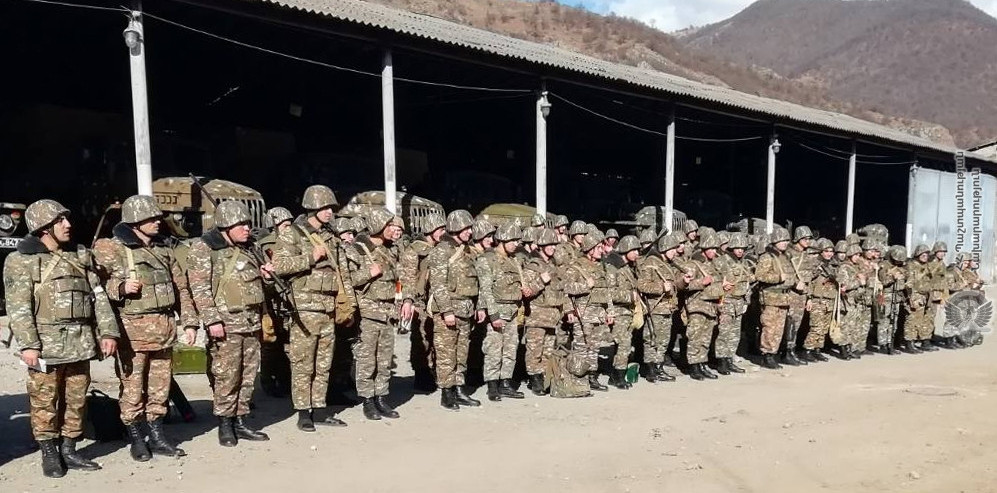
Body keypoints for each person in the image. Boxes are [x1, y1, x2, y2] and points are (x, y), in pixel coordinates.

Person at [3, 199, 119, 477]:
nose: (68, 225)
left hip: (80, 343)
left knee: (76, 399)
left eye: (66, 219)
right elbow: (19, 308)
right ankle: (49, 452)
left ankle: (69, 448)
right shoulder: (21, 261)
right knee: (44, 401)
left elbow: (99, 296)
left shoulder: (80, 255)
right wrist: (29, 345)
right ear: (44, 228)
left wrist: (108, 331)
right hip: (46, 345)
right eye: (59, 221)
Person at [92, 195, 196, 461]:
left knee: (160, 387)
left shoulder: (164, 249)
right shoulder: (112, 249)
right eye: (151, 218)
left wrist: (190, 322)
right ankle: (137, 439)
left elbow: (181, 288)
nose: (157, 222)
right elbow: (95, 287)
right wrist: (120, 288)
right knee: (133, 388)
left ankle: (158, 436)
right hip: (133, 333)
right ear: (135, 222)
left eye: (157, 217)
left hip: (164, 331)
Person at [187, 201, 272, 446]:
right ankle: (225, 424)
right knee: (226, 376)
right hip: (226, 324)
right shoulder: (204, 248)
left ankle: (241, 420)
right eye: (241, 224)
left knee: (247, 375)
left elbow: (254, 282)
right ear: (226, 226)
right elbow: (199, 289)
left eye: (248, 223)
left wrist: (266, 277)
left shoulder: (250, 248)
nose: (247, 228)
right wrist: (212, 320)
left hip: (251, 322)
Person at [271, 185, 351, 431]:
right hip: (304, 308)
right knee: (303, 363)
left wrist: (348, 304)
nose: (329, 212)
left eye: (331, 208)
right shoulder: (292, 234)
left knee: (324, 363)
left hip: (328, 307)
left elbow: (342, 272)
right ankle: (303, 412)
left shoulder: (331, 236)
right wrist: (310, 258)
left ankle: (320, 408)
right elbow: (279, 266)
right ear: (313, 208)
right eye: (325, 208)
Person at [342, 208, 406, 420]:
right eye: (389, 225)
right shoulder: (357, 250)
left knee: (384, 359)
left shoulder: (391, 250)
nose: (393, 229)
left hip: (388, 312)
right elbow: (348, 280)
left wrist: (401, 300)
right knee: (367, 359)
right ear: (378, 226)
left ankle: (381, 396)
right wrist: (368, 273)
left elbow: (398, 279)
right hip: (368, 313)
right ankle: (367, 400)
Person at [427, 210, 483, 410]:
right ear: (456, 228)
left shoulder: (467, 251)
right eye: (466, 228)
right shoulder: (441, 251)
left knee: (461, 352)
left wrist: (479, 306)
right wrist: (446, 311)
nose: (470, 232)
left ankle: (459, 388)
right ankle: (447, 392)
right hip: (449, 310)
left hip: (466, 310)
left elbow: (476, 282)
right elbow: (438, 284)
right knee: (446, 353)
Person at [475, 223, 537, 401]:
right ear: (502, 240)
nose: (516, 244)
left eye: (518, 240)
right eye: (513, 240)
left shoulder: (515, 260)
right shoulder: (487, 260)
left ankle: (506, 383)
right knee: (494, 349)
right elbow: (486, 290)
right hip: (497, 310)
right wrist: (493, 315)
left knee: (510, 349)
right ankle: (492, 385)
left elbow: (519, 283)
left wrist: (524, 289)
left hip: (513, 310)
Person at [399, 213, 446, 392]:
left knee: (436, 339)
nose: (443, 233)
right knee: (421, 339)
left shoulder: (440, 249)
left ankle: (433, 372)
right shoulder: (415, 250)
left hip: (436, 300)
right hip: (420, 301)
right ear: (430, 230)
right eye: (440, 229)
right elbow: (408, 277)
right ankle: (421, 374)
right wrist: (408, 300)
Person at [561, 231, 613, 391]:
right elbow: (566, 288)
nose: (601, 251)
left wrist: (610, 311)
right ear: (589, 249)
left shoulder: (601, 267)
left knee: (594, 348)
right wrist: (585, 286)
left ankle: (591, 376)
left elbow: (606, 291)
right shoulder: (576, 267)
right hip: (583, 314)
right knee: (581, 347)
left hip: (598, 314)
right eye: (598, 248)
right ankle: (579, 377)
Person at [636, 232, 686, 382]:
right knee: (652, 339)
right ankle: (651, 370)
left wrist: (684, 281)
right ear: (665, 248)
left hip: (667, 308)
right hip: (655, 308)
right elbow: (642, 285)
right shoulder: (651, 263)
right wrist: (661, 287)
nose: (675, 252)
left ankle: (659, 366)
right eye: (672, 249)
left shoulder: (669, 264)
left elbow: (674, 285)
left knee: (663, 340)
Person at [521, 228, 566, 395]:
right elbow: (526, 292)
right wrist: (541, 280)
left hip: (552, 317)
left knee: (547, 351)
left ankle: (544, 378)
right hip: (537, 316)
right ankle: (535, 380)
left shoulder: (553, 266)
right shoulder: (533, 266)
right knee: (535, 350)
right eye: (549, 244)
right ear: (541, 245)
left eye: (554, 244)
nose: (553, 247)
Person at [683, 231, 726, 380]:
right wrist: (701, 282)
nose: (714, 251)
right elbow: (685, 286)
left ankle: (701, 363)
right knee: (695, 337)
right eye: (711, 248)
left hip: (711, 307)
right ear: (704, 248)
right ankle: (693, 366)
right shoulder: (693, 264)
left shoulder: (713, 265)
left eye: (715, 248)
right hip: (697, 306)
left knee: (705, 339)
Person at [754, 227, 797, 369]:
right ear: (775, 241)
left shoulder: (785, 257)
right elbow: (760, 275)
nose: (784, 243)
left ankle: (773, 353)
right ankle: (767, 355)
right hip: (771, 298)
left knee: (779, 329)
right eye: (781, 240)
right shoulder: (767, 257)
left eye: (786, 240)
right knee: (770, 327)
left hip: (784, 298)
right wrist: (778, 277)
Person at [712, 232, 754, 374]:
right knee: (724, 332)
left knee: (735, 334)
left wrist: (746, 301)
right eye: (737, 248)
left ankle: (729, 359)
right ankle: (721, 361)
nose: (740, 250)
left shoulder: (744, 263)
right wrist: (720, 285)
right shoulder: (721, 261)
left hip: (739, 302)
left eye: (743, 248)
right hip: (727, 301)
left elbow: (746, 283)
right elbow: (713, 278)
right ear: (731, 247)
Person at [605, 234, 641, 389]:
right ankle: (618, 375)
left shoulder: (627, 268)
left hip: (627, 312)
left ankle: (616, 374)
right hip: (618, 311)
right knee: (624, 344)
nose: (637, 253)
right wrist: (630, 296)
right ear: (626, 250)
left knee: (624, 344)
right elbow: (610, 292)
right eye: (634, 250)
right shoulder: (613, 268)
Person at [802, 238, 837, 362]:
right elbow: (809, 282)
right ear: (821, 252)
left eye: (831, 251)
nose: (829, 254)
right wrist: (809, 298)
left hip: (830, 300)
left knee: (824, 328)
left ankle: (817, 350)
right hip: (818, 300)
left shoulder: (833, 265)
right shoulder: (815, 264)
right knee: (816, 327)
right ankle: (807, 349)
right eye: (826, 251)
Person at [876, 244, 907, 354]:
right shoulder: (884, 265)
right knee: (884, 320)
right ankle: (883, 344)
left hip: (897, 296)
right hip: (886, 296)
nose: (898, 262)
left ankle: (890, 342)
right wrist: (893, 278)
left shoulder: (902, 267)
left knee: (894, 320)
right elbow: (883, 281)